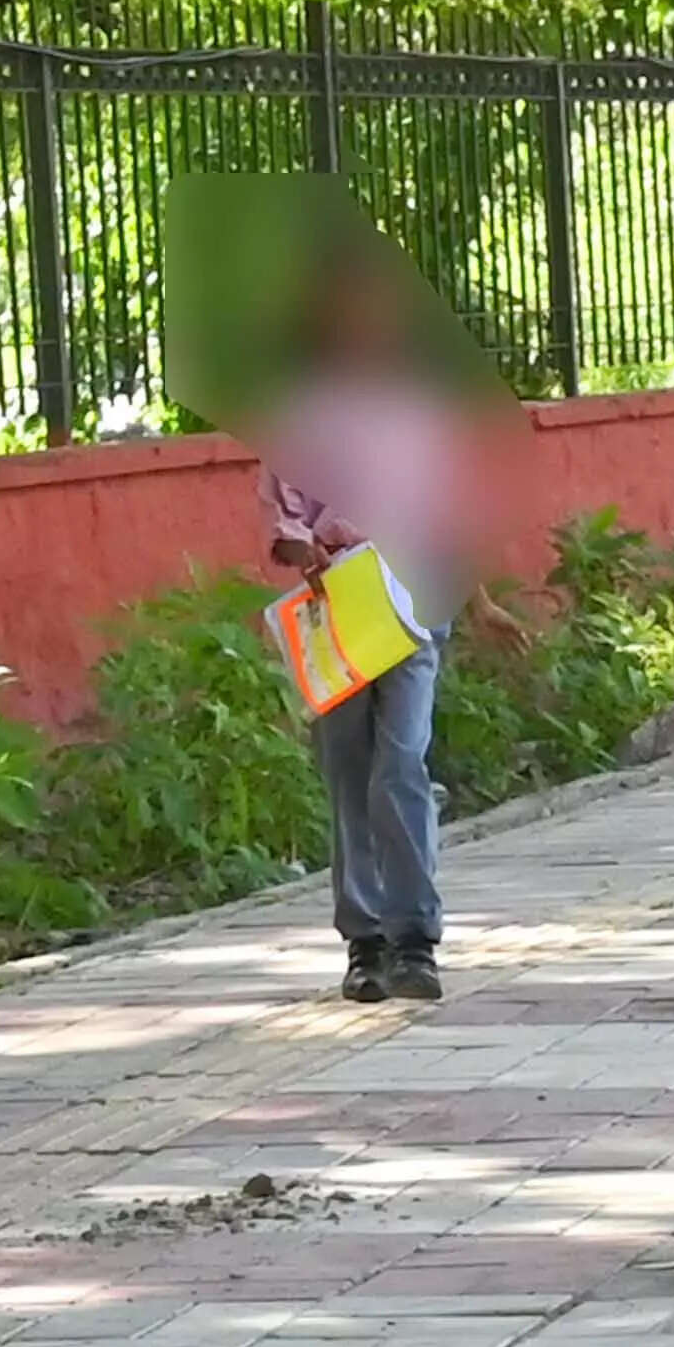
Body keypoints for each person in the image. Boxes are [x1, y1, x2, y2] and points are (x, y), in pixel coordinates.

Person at [256, 236, 471, 1004]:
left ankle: (416, 936)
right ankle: (365, 940)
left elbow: (450, 511)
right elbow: (281, 518)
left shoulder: (422, 407)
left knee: (401, 763)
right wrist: (299, 544)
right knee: (347, 769)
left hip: (413, 606)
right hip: (338, 614)